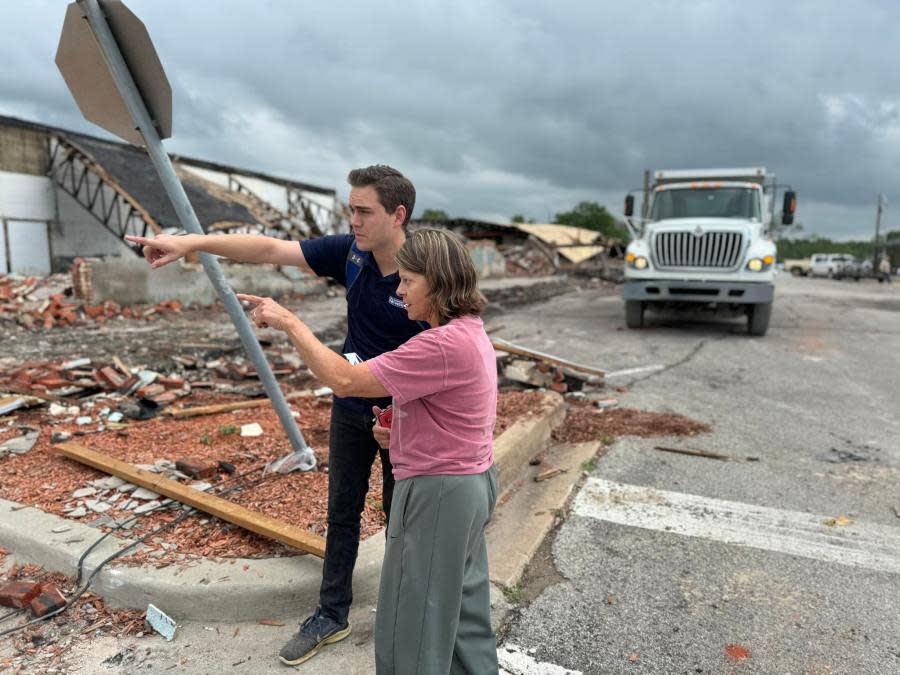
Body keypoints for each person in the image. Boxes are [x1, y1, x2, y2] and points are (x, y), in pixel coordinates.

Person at [125, 165, 426, 666]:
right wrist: (193, 244)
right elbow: (269, 249)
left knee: (403, 519)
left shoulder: (425, 271)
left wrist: (410, 415)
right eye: (350, 209)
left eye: (363, 211)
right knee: (341, 513)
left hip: (405, 418)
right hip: (350, 403)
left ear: (398, 215)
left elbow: (450, 348)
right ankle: (331, 615)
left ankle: (405, 613)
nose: (353, 219)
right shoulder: (352, 252)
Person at [238, 227, 500, 674]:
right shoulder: (469, 334)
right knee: (461, 618)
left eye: (408, 281)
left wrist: (291, 323)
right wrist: (404, 427)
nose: (399, 291)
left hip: (439, 493)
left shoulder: (438, 345)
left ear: (436, 283)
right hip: (470, 483)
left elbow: (344, 380)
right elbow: (452, 412)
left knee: (412, 629)